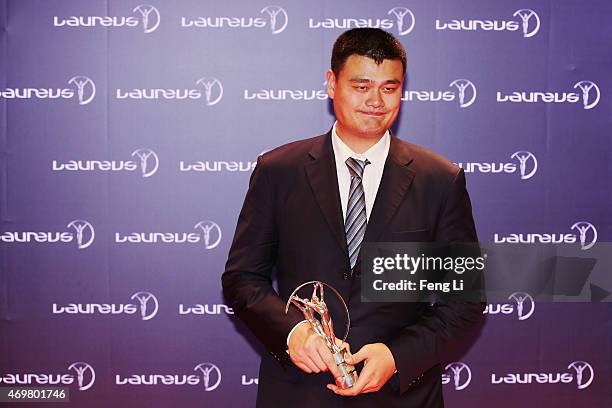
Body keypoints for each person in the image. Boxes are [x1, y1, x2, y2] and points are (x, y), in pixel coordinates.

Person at [222, 28, 485, 407]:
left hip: (402, 394)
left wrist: (397, 357)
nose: (376, 101)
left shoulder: (440, 180)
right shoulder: (279, 170)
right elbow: (243, 279)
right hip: (299, 392)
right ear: (332, 84)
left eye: (389, 88)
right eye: (361, 86)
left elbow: (465, 301)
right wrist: (293, 332)